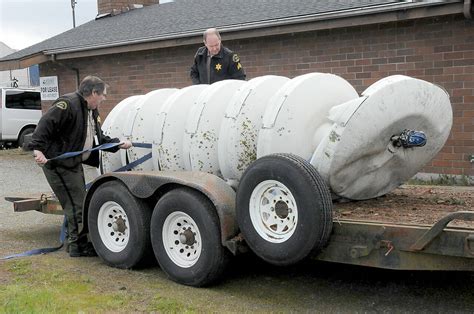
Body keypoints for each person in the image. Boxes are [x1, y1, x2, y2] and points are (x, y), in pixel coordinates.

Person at [28, 75, 132, 257]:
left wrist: (117, 144)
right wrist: (38, 150)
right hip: (59, 164)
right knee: (76, 205)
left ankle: (74, 242)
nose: (104, 99)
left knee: (79, 203)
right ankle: (78, 246)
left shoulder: (91, 110)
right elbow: (44, 125)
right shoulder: (67, 104)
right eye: (103, 95)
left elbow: (98, 138)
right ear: (93, 93)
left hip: (74, 164)